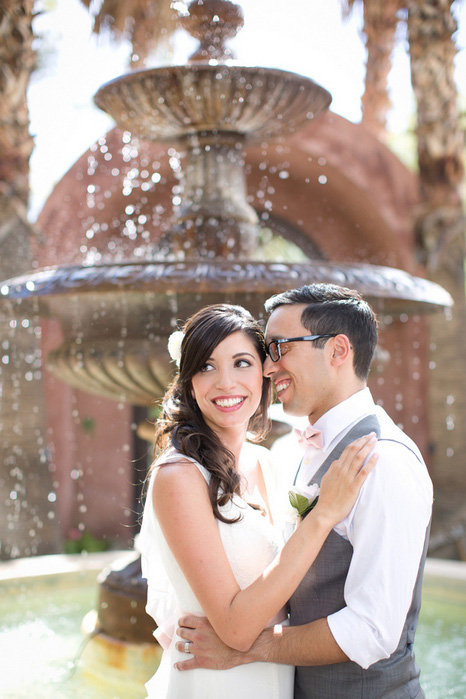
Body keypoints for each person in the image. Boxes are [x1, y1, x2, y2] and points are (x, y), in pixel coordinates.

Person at [175, 285, 433, 699]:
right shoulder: (293, 448)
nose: (266, 367)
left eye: (279, 347)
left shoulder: (384, 461)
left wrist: (246, 649)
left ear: (338, 350)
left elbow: (373, 631)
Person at [138, 303, 378, 698]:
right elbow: (234, 627)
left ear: (266, 373)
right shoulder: (178, 477)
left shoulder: (267, 463)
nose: (226, 383)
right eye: (207, 367)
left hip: (273, 677)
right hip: (214, 679)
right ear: (190, 382)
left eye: (242, 363)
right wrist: (322, 516)